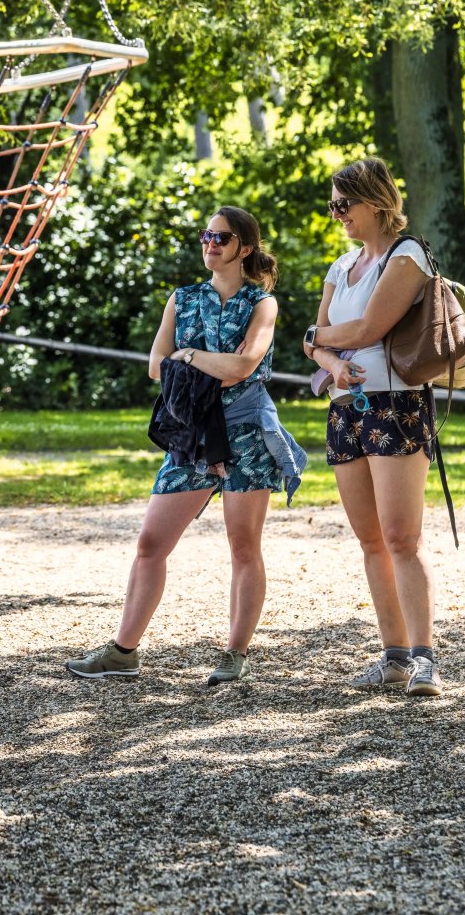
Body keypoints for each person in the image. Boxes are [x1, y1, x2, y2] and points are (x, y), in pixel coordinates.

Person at [66, 205, 305, 686]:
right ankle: (123, 652)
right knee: (151, 543)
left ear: (246, 247)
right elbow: (156, 365)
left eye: (221, 238)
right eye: (206, 236)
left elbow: (244, 367)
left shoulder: (262, 304)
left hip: (246, 433)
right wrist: (208, 361)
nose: (210, 245)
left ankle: (236, 655)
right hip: (191, 433)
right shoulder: (183, 297)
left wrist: (189, 355)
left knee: (243, 546)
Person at [303, 157, 442, 697]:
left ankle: (426, 658)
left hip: (395, 404)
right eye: (333, 205)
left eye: (345, 204)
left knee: (402, 537)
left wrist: (326, 340)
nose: (337, 214)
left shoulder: (407, 256)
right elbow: (314, 342)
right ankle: (394, 656)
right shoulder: (341, 267)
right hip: (346, 407)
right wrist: (332, 362)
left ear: (377, 202)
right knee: (370, 540)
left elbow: (367, 326)